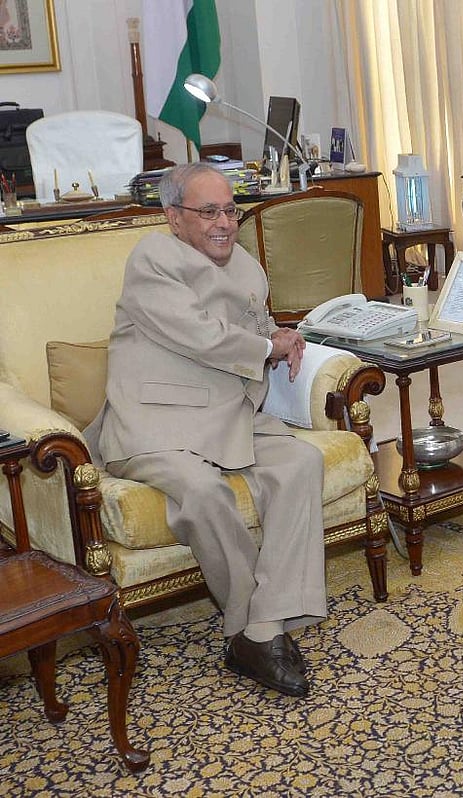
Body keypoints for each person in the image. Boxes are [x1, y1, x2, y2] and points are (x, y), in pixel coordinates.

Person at [85, 162, 326, 698]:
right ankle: (249, 627)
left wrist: (282, 335)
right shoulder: (152, 258)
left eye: (231, 210)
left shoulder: (246, 264)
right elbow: (200, 334)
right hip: (155, 419)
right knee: (203, 493)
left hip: (231, 411)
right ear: (174, 217)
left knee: (300, 464)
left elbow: (257, 326)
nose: (224, 223)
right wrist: (268, 347)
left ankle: (262, 628)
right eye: (208, 211)